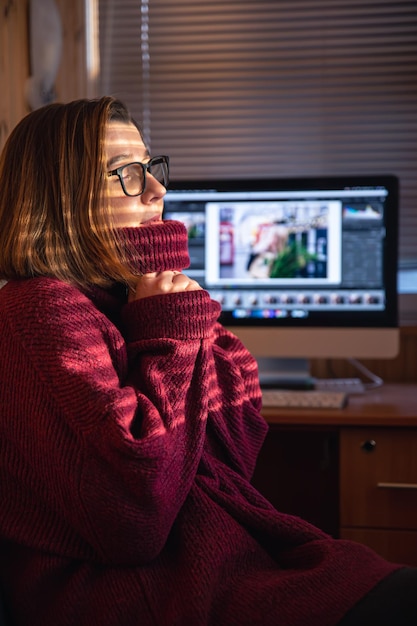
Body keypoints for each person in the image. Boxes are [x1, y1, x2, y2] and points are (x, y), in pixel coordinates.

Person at [0, 96, 415, 626]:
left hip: (216, 568)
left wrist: (188, 324)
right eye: (124, 173)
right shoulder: (39, 309)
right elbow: (136, 521)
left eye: (150, 167)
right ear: (60, 197)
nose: (158, 190)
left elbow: (229, 459)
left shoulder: (119, 297)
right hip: (150, 593)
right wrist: (172, 331)